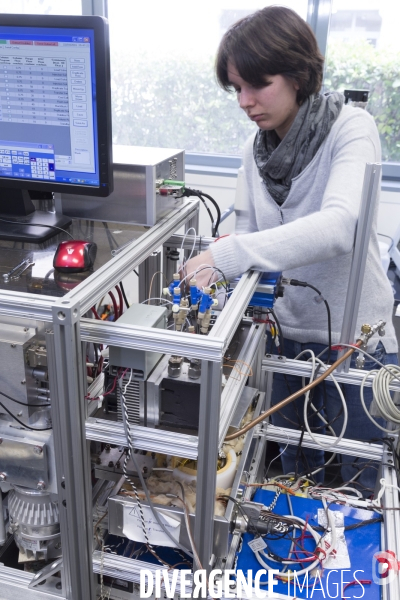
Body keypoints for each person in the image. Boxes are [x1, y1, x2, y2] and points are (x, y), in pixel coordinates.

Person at [184, 6, 398, 493]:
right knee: (290, 485)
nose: (244, 101)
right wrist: (216, 286)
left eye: (257, 84)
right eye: (236, 88)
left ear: (299, 74)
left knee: (358, 493)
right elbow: (254, 246)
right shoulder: (253, 150)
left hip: (355, 347)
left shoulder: (351, 128)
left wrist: (228, 255)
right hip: (285, 346)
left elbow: (339, 225)